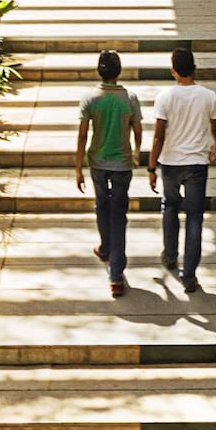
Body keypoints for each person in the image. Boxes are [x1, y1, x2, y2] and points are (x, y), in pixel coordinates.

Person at [148, 47, 216, 294]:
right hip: (197, 164)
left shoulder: (165, 97)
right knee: (194, 217)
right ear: (194, 69)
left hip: (170, 162)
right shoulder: (208, 96)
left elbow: (158, 135)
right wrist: (215, 144)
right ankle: (189, 276)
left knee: (169, 206)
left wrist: (151, 166)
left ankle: (170, 256)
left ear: (173, 71)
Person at [75, 50, 142, 297]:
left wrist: (78, 167)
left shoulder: (90, 98)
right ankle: (116, 273)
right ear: (119, 72)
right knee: (118, 215)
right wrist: (136, 152)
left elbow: (83, 135)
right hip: (122, 164)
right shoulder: (129, 98)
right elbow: (138, 129)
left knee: (102, 206)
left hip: (98, 163)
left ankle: (105, 248)